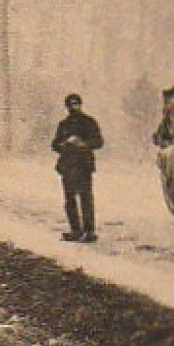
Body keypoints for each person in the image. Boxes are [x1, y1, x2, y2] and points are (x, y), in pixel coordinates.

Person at [52, 93, 104, 242]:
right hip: (68, 165)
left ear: (80, 104)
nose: (73, 107)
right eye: (71, 104)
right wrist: (63, 144)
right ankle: (75, 230)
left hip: (83, 165)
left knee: (85, 198)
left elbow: (98, 141)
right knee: (69, 199)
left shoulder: (88, 122)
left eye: (76, 103)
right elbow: (54, 144)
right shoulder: (63, 125)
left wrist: (83, 144)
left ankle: (89, 230)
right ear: (67, 107)